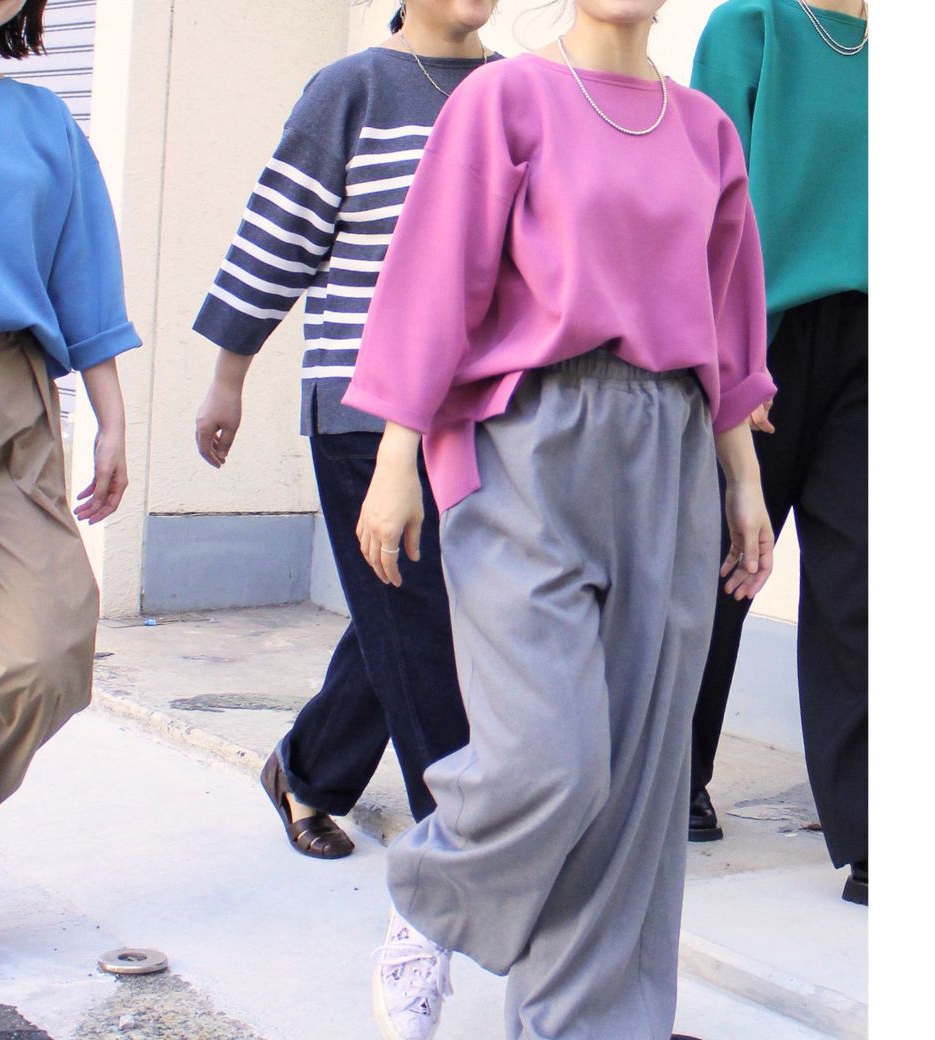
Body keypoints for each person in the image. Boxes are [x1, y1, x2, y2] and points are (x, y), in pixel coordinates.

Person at [343, 1, 777, 1036]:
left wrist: (742, 480)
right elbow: (435, 279)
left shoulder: (705, 129)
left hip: (671, 447)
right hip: (526, 440)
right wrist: (397, 455)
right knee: (551, 756)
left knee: (639, 781)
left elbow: (725, 319)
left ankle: (588, 1023)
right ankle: (432, 899)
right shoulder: (506, 98)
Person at [193, 1, 502, 859]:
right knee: (418, 623)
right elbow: (278, 234)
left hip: (485, 412)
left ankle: (306, 771)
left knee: (406, 615)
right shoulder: (353, 89)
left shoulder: (518, 88)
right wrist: (228, 376)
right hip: (364, 408)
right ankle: (461, 840)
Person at [0, 0, 139, 983]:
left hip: (14, 397)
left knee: (52, 644)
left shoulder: (43, 121)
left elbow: (84, 275)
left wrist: (111, 416)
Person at [685, 0, 868, 907]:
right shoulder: (750, 26)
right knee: (724, 565)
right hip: (767, 333)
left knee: (861, 582)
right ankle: (675, 772)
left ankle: (874, 829)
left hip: (876, 337)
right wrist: (733, 354)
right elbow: (708, 210)